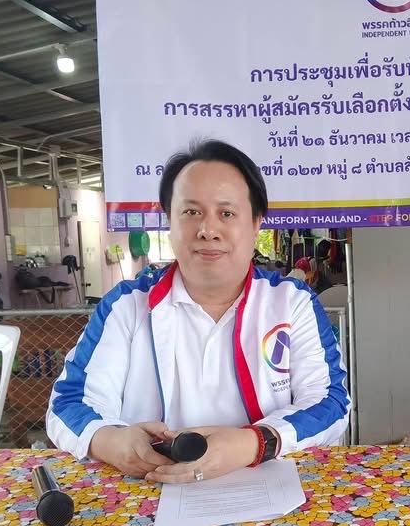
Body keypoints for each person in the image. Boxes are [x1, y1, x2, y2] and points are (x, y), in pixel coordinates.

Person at [47, 139, 350, 482]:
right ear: (169, 221)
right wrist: (111, 441)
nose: (208, 230)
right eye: (191, 212)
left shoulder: (290, 302)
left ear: (256, 223)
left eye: (226, 213)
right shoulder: (126, 306)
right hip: (147, 491)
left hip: (269, 488)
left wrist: (254, 443)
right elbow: (69, 403)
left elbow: (330, 402)